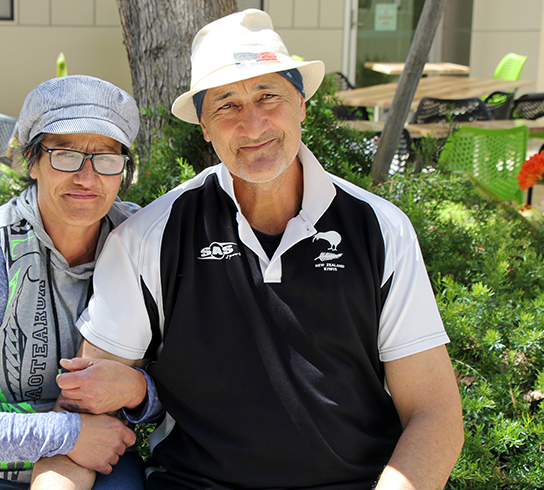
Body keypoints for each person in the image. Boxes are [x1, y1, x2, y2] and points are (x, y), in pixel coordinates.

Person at [58, 9, 465, 490]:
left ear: (302, 105)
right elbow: (86, 410)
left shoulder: (380, 229)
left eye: (268, 96)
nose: (252, 125)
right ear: (205, 129)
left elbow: (434, 413)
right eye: (226, 105)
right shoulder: (149, 238)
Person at [0, 75, 147, 490]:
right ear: (32, 161)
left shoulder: (139, 238)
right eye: (65, 154)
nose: (86, 177)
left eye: (106, 158)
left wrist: (139, 391)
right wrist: (68, 434)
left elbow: (182, 381)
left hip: (97, 456)